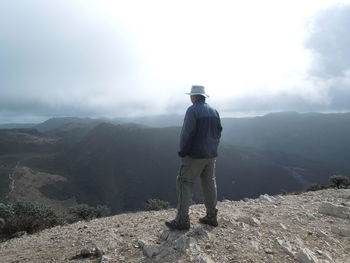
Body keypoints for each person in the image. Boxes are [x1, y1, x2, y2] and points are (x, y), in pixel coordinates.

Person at [165, 85, 222, 230]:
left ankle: (182, 220)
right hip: (211, 155)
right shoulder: (214, 111)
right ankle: (211, 216)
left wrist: (183, 151)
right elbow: (219, 131)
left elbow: (187, 133)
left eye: (191, 95)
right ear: (204, 96)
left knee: (185, 183)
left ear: (194, 96)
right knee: (209, 183)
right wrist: (213, 146)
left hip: (195, 156)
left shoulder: (192, 110)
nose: (190, 97)